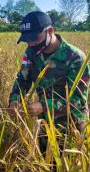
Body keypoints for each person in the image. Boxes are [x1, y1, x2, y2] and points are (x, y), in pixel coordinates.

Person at [9, 11, 89, 156]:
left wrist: (44, 106)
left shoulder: (75, 58)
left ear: (50, 31)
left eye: (35, 38)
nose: (31, 44)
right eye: (27, 40)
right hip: (45, 124)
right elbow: (22, 79)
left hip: (71, 127)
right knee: (47, 161)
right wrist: (15, 99)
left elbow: (78, 101)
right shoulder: (31, 53)